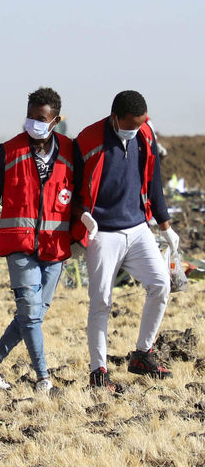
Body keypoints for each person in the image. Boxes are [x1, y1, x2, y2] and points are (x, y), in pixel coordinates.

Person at [72, 90, 176, 391]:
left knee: (160, 284)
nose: (135, 129)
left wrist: (165, 225)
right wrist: (82, 219)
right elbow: (73, 189)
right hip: (102, 232)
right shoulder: (88, 141)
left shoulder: (144, 133)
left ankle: (142, 354)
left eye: (140, 123)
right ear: (114, 118)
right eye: (130, 124)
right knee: (101, 301)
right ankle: (99, 372)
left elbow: (154, 179)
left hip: (138, 227)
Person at [0, 87, 75, 393]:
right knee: (31, 314)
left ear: (55, 120)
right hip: (18, 245)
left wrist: (81, 235)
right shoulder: (8, 151)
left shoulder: (72, 152)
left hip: (55, 247)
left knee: (32, 315)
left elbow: (81, 195)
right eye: (30, 116)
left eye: (41, 118)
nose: (34, 123)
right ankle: (43, 378)